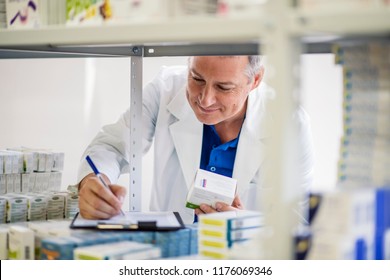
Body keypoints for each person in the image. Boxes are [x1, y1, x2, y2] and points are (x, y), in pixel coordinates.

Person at [77, 55, 314, 224]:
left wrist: (243, 224)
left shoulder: (288, 121)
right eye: (197, 79)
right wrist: (92, 182)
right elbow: (112, 146)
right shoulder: (166, 88)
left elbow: (299, 216)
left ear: (255, 81)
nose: (205, 99)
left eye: (223, 87)